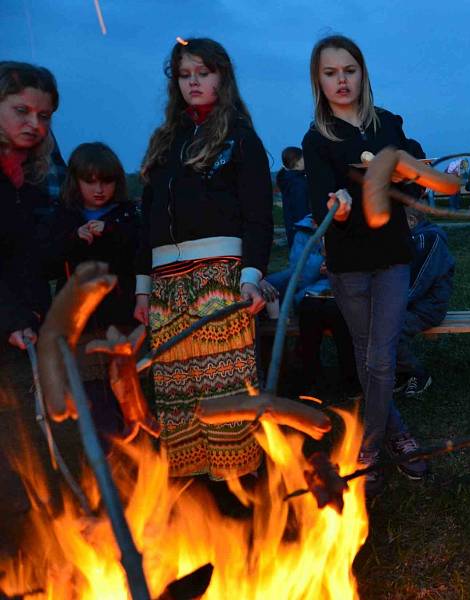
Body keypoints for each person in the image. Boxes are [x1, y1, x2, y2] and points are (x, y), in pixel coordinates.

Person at [135, 38, 273, 480]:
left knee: (224, 389)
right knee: (178, 392)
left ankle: (239, 493)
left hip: (218, 277)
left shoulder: (240, 138)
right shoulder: (165, 142)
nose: (193, 82)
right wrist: (143, 287)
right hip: (166, 284)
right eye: (184, 75)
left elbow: (258, 217)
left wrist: (250, 277)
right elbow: (149, 218)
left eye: (203, 72)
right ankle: (192, 501)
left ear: (222, 77)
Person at [302, 34, 429, 497]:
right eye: (331, 72)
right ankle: (398, 434)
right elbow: (321, 202)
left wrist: (412, 179)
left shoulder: (388, 125)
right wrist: (335, 206)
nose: (341, 80)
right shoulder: (317, 139)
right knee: (365, 350)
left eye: (349, 70)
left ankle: (369, 446)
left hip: (391, 254)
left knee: (381, 354)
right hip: (348, 261)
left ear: (362, 73)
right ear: (319, 80)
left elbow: (414, 182)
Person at [0, 61, 59, 550]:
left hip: (20, 332)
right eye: (21, 110)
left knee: (23, 446)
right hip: (9, 325)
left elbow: (30, 261)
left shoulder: (30, 184)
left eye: (43, 116)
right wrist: (13, 317)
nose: (33, 124)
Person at [49, 142, 139, 446]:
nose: (99, 189)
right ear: (76, 182)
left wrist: (111, 232)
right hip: (82, 327)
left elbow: (139, 255)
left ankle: (139, 473)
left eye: (106, 180)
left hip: (121, 325)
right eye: (90, 181)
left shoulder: (127, 216)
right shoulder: (63, 217)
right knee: (96, 404)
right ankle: (107, 475)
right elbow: (45, 260)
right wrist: (75, 237)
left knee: (129, 400)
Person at [262, 215, 360, 400]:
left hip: (341, 292)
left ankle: (351, 380)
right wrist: (319, 264)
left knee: (339, 314)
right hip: (310, 292)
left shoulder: (350, 225)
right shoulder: (304, 231)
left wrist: (336, 265)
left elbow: (359, 266)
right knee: (310, 313)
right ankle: (311, 381)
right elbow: (298, 274)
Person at [394, 207, 455, 398]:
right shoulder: (417, 238)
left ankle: (417, 373)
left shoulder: (427, 239)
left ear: (411, 220)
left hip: (428, 306)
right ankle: (401, 372)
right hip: (416, 303)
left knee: (391, 329)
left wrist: (392, 305)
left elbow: (418, 280)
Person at [276, 146, 308, 250]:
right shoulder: (299, 183)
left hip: (292, 228)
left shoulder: (287, 180)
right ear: (297, 162)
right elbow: (301, 209)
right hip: (302, 229)